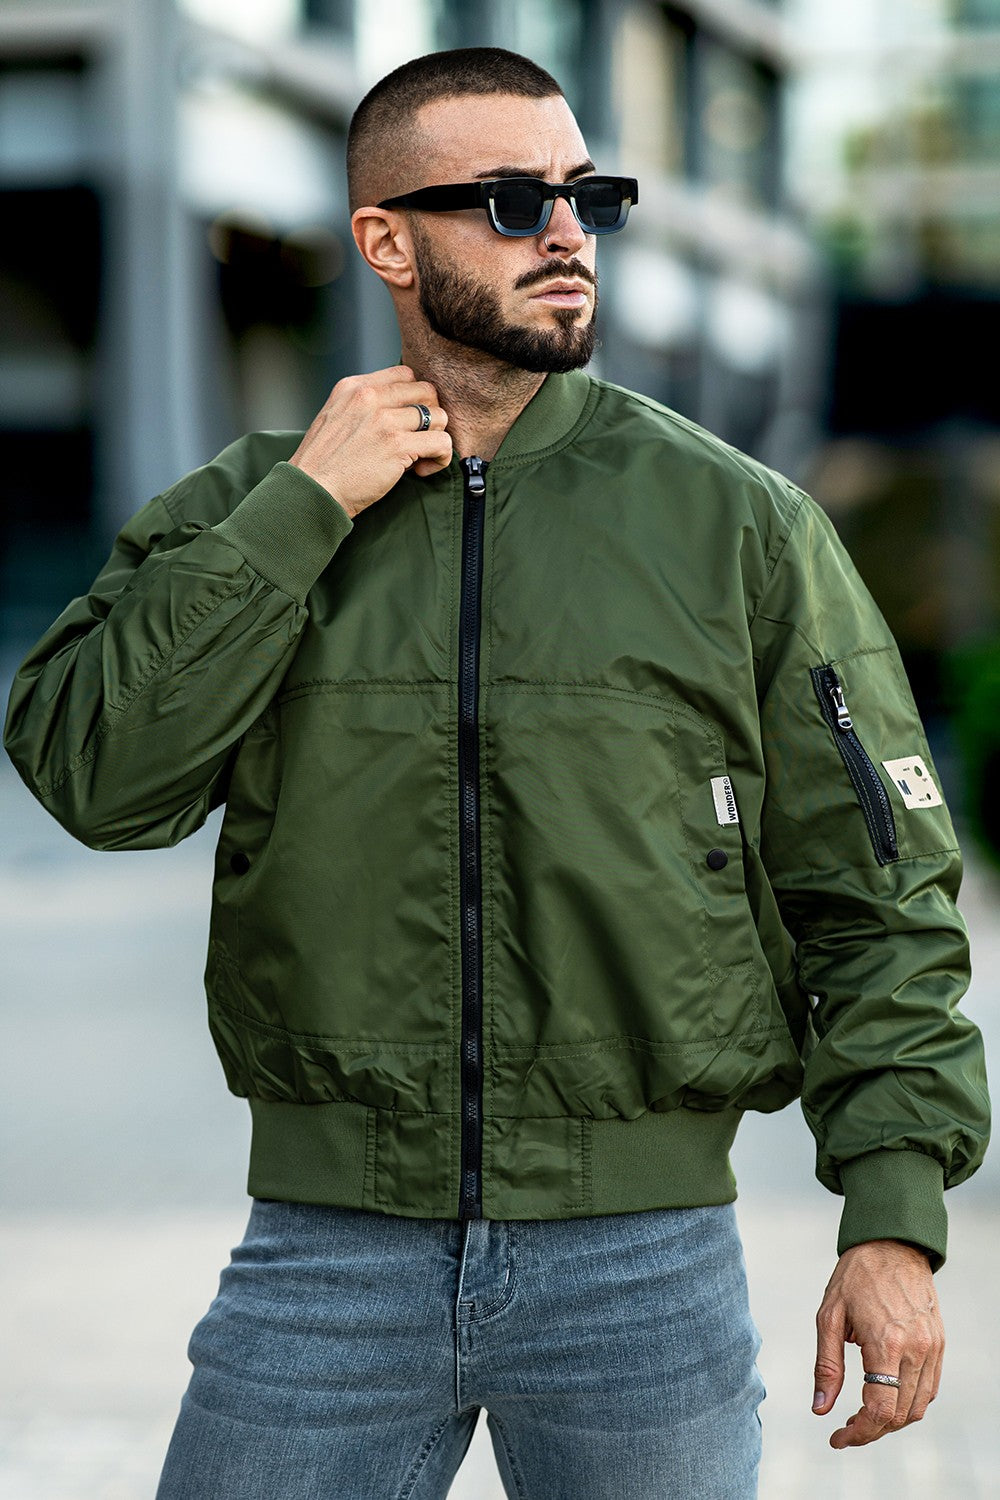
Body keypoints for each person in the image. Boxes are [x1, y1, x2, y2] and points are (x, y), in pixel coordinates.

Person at [3, 46, 990, 1500]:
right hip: (326, 1263)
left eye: (589, 195)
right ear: (387, 242)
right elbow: (95, 776)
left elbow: (881, 891)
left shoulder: (739, 526)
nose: (569, 232)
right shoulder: (251, 507)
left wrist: (893, 1217)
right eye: (515, 202)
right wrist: (303, 511)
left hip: (644, 1273)